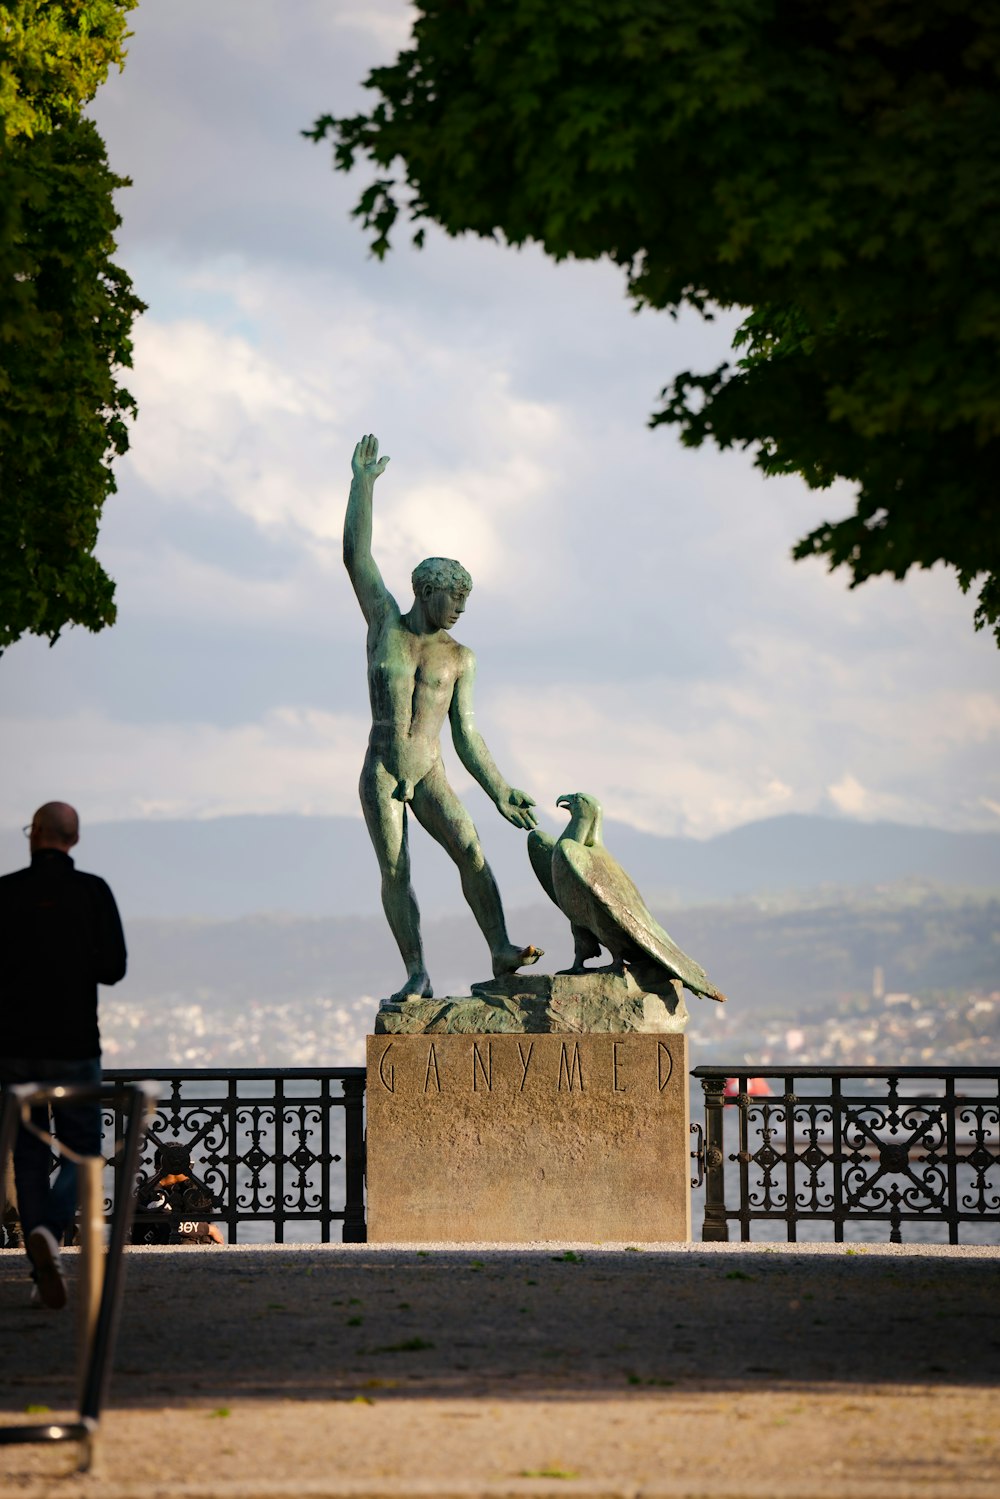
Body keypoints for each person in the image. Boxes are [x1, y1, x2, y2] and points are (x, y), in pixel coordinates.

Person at [344, 433, 543, 1002]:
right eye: (453, 597)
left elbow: (468, 734)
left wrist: (501, 790)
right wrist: (362, 486)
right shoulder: (386, 623)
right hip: (383, 764)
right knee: (397, 871)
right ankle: (416, 971)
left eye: (465, 599)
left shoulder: (460, 658)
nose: (459, 608)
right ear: (426, 592)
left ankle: (501, 949)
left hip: (429, 767)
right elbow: (356, 557)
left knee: (471, 849)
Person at [0, 802, 127, 1307]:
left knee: (27, 1153)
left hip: (12, 1048)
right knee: (86, 1150)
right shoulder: (92, 892)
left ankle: (42, 1255)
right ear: (72, 840)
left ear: (35, 836)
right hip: (74, 1043)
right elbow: (114, 968)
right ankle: (50, 1233)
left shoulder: (5, 893)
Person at [131, 1144, 223, 1245]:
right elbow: (169, 1222)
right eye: (187, 1167)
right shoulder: (149, 1191)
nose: (190, 1172)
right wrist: (209, 1229)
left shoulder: (185, 1188)